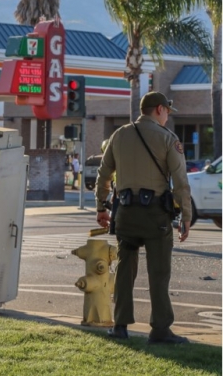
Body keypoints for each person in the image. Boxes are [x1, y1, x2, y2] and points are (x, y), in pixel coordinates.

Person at [95, 92, 191, 344]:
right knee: (159, 273)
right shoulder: (168, 139)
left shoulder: (119, 135)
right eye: (168, 111)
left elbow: (104, 174)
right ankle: (160, 329)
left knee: (125, 270)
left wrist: (101, 208)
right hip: (155, 217)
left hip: (125, 214)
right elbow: (181, 183)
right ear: (159, 109)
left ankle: (120, 325)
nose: (168, 116)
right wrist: (186, 216)